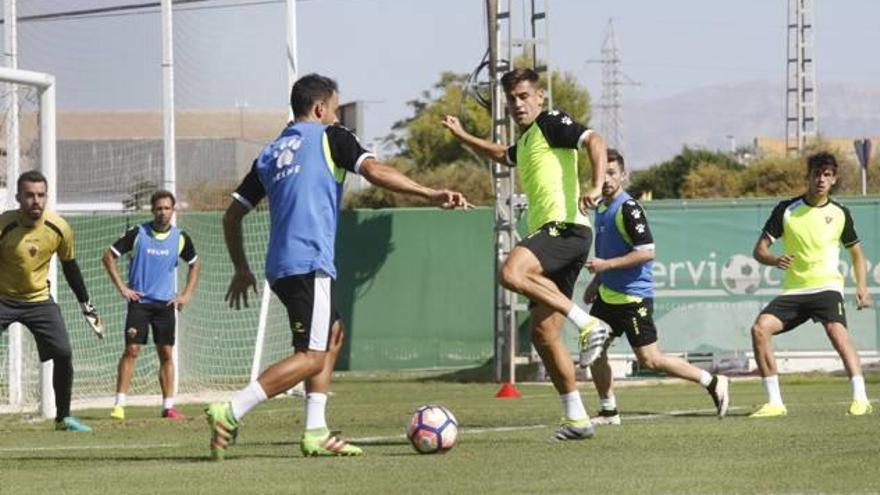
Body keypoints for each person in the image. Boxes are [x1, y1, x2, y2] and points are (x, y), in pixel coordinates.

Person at [207, 73, 471, 460]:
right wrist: (430, 192)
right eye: (334, 108)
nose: (336, 115)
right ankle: (230, 411)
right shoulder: (331, 137)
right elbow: (375, 171)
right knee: (311, 354)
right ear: (320, 108)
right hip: (309, 261)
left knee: (332, 335)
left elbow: (231, 217)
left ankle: (316, 431)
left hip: (281, 265)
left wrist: (241, 268)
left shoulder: (270, 152)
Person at [442, 67, 612, 441]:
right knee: (542, 332)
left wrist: (597, 184)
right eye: (512, 99)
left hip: (565, 227)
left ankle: (588, 324)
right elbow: (504, 155)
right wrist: (463, 135)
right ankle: (577, 418)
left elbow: (595, 139)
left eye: (523, 96)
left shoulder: (551, 121)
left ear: (539, 98)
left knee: (511, 272)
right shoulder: (529, 139)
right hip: (553, 235)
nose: (518, 104)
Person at [581, 149, 730, 426]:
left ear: (624, 176)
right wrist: (596, 281)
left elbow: (647, 252)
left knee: (651, 360)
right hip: (607, 296)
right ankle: (608, 411)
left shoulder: (629, 208)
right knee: (595, 350)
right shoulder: (600, 207)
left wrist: (604, 267)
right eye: (603, 173)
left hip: (633, 298)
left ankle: (712, 381)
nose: (607, 179)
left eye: (613, 173)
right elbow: (608, 249)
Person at [749, 151, 873, 417]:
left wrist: (862, 287)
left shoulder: (840, 213)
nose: (821, 179)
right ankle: (774, 403)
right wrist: (774, 260)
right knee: (760, 329)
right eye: (817, 173)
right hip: (794, 291)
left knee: (837, 333)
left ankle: (861, 398)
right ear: (808, 176)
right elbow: (759, 250)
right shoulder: (787, 210)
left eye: (827, 175)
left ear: (833, 179)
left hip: (827, 288)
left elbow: (857, 254)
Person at [0, 171, 103, 431]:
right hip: (3, 299)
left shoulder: (59, 228)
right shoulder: (4, 225)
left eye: (41, 195)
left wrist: (86, 306)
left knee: (64, 353)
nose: (36, 201)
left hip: (39, 301)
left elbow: (70, 267)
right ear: (18, 198)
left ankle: (64, 418)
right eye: (30, 195)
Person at [102, 190, 200, 420]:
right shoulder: (138, 233)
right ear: (152, 210)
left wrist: (185, 295)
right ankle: (119, 405)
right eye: (158, 208)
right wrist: (123, 288)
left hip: (165, 305)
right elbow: (108, 256)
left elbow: (195, 265)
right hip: (140, 303)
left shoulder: (181, 237)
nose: (162, 212)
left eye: (167, 208)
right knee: (131, 350)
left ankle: (168, 406)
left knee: (166, 353)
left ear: (173, 211)